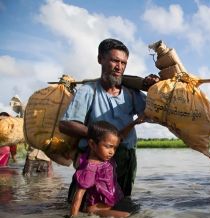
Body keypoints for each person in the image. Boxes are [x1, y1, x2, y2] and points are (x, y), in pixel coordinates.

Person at [59, 38, 159, 201]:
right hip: (95, 158)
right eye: (114, 61)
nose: (119, 67)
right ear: (100, 59)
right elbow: (65, 125)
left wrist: (156, 90)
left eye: (123, 63)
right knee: (84, 205)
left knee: (120, 202)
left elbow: (154, 116)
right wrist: (102, 137)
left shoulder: (131, 93)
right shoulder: (88, 91)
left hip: (126, 158)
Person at [70, 120, 129, 218]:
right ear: (92, 144)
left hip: (112, 203)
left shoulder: (106, 159)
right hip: (97, 209)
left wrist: (134, 122)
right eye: (108, 147)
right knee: (127, 217)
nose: (112, 152)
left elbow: (121, 137)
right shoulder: (91, 167)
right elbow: (79, 195)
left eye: (115, 148)